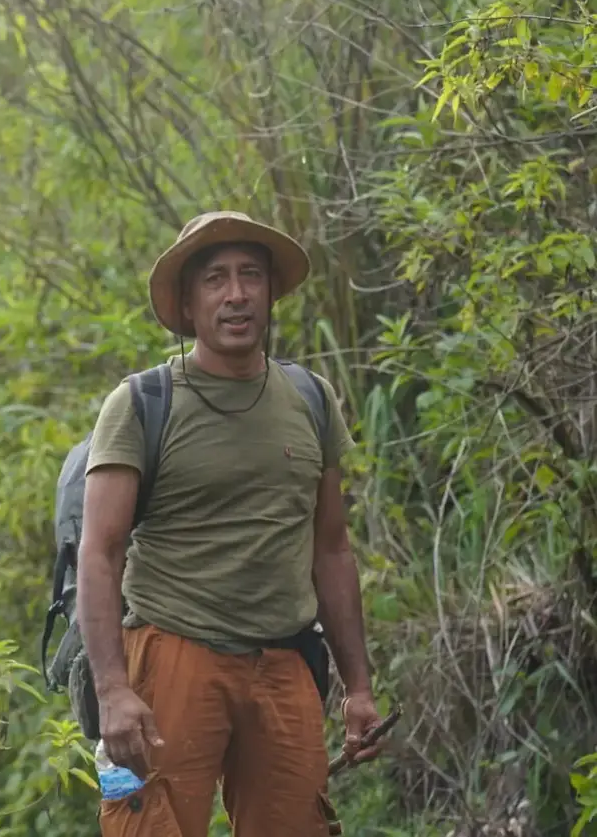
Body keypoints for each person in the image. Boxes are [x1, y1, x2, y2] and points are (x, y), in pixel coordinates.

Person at [76, 211, 386, 836]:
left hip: (284, 666)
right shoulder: (142, 404)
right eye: (215, 279)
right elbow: (99, 554)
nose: (236, 294)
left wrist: (358, 687)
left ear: (271, 293)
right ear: (188, 304)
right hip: (171, 659)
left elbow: (331, 550)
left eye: (251, 276)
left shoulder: (311, 399)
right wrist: (113, 690)